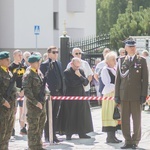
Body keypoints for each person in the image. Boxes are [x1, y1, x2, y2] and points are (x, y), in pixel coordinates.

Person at [115, 38, 148, 149]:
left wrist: (144, 95)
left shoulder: (141, 61)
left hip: (136, 95)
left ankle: (135, 141)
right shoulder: (120, 60)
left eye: (133, 46)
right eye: (129, 46)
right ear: (125, 48)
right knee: (124, 120)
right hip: (124, 95)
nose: (132, 48)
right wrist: (116, 95)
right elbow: (118, 80)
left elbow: (145, 79)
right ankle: (127, 140)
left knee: (136, 119)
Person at [22, 54, 48, 150]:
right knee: (33, 126)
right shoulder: (28, 74)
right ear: (32, 63)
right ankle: (33, 146)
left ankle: (38, 145)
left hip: (42, 103)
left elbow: (42, 86)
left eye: (39, 62)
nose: (39, 64)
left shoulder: (39, 73)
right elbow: (27, 91)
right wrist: (36, 102)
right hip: (34, 105)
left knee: (41, 124)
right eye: (37, 62)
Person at [64, 57, 93, 140]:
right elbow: (71, 84)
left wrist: (80, 76)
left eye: (78, 66)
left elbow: (86, 82)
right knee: (71, 114)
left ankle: (82, 132)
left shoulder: (81, 71)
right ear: (72, 64)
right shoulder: (67, 72)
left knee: (81, 113)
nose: (77, 68)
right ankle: (69, 133)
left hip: (81, 94)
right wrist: (80, 81)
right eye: (76, 66)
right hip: (71, 95)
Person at [40, 46, 65, 143]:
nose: (56, 54)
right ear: (49, 53)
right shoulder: (44, 65)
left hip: (58, 93)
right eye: (54, 52)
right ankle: (48, 135)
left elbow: (60, 77)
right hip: (50, 95)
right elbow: (43, 79)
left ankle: (54, 134)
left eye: (57, 52)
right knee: (49, 115)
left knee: (55, 115)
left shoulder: (59, 63)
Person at [101, 51, 121, 143]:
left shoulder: (115, 69)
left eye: (115, 59)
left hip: (115, 94)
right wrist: (117, 86)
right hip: (109, 95)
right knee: (110, 114)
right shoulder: (105, 70)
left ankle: (114, 136)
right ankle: (110, 137)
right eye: (113, 59)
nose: (114, 61)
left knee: (116, 114)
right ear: (107, 61)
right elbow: (107, 84)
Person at [0, 51, 17, 150]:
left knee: (7, 134)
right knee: (1, 134)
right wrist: (3, 102)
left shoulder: (8, 72)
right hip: (2, 108)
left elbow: (13, 91)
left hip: (10, 108)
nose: (9, 61)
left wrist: (14, 106)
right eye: (6, 59)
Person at [9, 50, 27, 139]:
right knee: (14, 110)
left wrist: (23, 90)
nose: (20, 57)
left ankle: (22, 127)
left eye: (21, 55)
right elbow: (10, 81)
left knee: (22, 110)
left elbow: (25, 79)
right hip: (14, 91)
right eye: (19, 55)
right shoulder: (11, 67)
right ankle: (11, 128)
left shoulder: (23, 66)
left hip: (23, 91)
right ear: (14, 55)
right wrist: (17, 91)